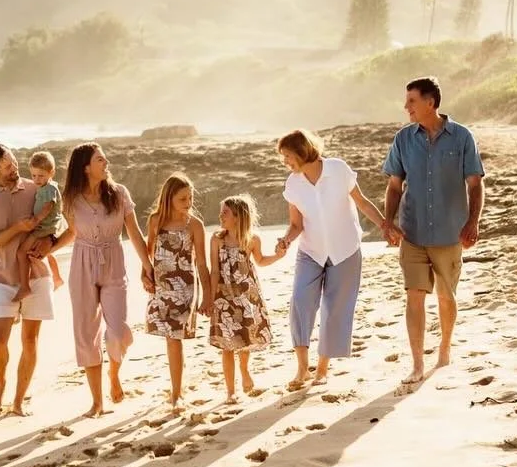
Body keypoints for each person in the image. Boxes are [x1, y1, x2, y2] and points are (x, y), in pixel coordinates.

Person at [274, 128, 399, 390]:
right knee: (300, 302)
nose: (285, 161)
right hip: (310, 252)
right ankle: (301, 369)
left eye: (287, 155)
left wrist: (385, 226)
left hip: (345, 250)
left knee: (335, 309)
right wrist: (286, 240)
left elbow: (362, 203)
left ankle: (321, 369)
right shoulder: (293, 183)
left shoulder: (338, 169)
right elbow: (296, 224)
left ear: (302, 150)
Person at [36, 143, 153, 418]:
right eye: (100, 159)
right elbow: (72, 233)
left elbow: (134, 233)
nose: (106, 162)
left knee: (118, 331)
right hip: (82, 264)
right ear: (86, 167)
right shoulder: (71, 199)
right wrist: (47, 250)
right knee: (87, 335)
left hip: (113, 262)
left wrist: (148, 267)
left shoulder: (119, 193)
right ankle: (97, 402)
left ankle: (114, 373)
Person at [382, 76, 485, 385]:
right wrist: (388, 221)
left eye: (412, 101)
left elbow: (476, 184)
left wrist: (472, 221)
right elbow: (394, 185)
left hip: (450, 231)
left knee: (446, 296)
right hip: (412, 231)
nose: (406, 107)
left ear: (430, 102)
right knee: (414, 295)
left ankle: (444, 347)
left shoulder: (462, 137)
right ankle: (416, 363)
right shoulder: (403, 139)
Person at [0, 143, 54, 416]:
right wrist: (16, 228)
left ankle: (18, 401)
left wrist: (49, 244)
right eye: (6, 167)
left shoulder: (35, 188)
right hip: (3, 277)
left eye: (14, 162)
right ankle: (1, 381)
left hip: (37, 276)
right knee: (0, 342)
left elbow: (56, 221)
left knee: (30, 341)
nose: (14, 169)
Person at [142, 172, 211, 413]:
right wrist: (144, 273)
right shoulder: (155, 221)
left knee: (175, 339)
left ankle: (176, 393)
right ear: (169, 198)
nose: (188, 203)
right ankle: (177, 390)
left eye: (190, 198)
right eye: (183, 199)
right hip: (161, 288)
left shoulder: (195, 225)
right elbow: (149, 253)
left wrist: (208, 295)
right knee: (169, 338)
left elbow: (202, 263)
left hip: (185, 288)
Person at [208, 194, 282, 403]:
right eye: (221, 212)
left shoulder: (251, 240)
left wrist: (278, 256)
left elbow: (260, 260)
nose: (220, 216)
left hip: (246, 295)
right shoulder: (217, 239)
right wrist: (211, 298)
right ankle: (231, 391)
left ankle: (244, 368)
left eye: (225, 212)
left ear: (238, 217)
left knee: (244, 338)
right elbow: (214, 270)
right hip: (223, 296)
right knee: (226, 345)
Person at [14, 151, 65, 301]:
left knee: (21, 252)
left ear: (52, 173)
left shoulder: (49, 189)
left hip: (43, 228)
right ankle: (57, 278)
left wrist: (36, 220)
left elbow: (48, 206)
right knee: (44, 253)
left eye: (41, 176)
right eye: (33, 175)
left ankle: (25, 287)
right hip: (46, 226)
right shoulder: (47, 186)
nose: (36, 179)